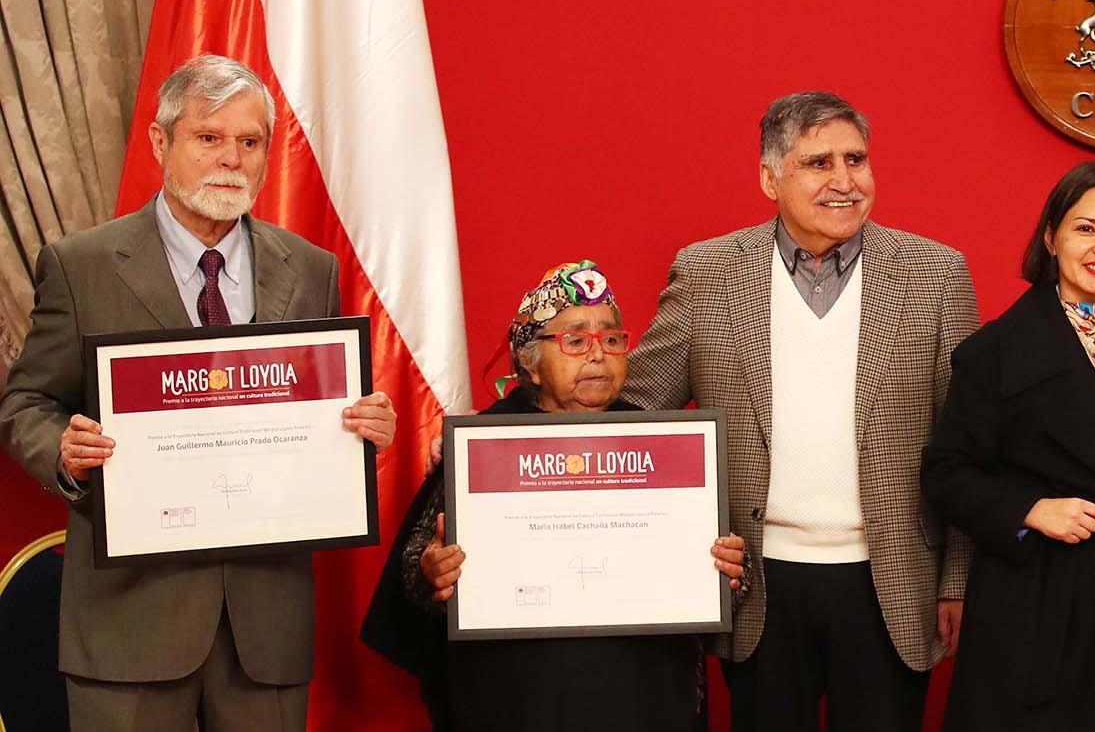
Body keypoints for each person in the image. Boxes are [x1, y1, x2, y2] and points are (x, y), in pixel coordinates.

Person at [0, 54, 398, 732]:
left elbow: (319, 406)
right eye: (208, 137)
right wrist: (64, 450)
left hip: (263, 625)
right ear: (162, 142)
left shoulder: (309, 268)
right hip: (128, 620)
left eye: (250, 142)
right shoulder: (83, 264)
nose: (231, 159)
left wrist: (363, 418)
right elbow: (25, 405)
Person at [623, 90, 979, 732]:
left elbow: (964, 442)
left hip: (892, 580)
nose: (845, 181)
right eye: (819, 163)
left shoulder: (936, 273)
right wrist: (502, 443)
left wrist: (957, 578)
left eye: (857, 159)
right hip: (757, 582)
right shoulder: (706, 273)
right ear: (769, 177)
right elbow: (640, 414)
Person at [360, 260, 747, 731]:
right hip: (515, 697)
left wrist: (729, 570)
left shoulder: (665, 443)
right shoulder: (481, 446)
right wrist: (432, 572)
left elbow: (727, 572)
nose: (598, 354)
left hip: (646, 693)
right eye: (575, 340)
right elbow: (416, 577)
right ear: (531, 363)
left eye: (611, 339)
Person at [923, 162, 1095, 731]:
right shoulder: (995, 350)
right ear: (1051, 237)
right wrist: (1029, 510)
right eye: (1085, 228)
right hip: (1033, 600)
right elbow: (946, 473)